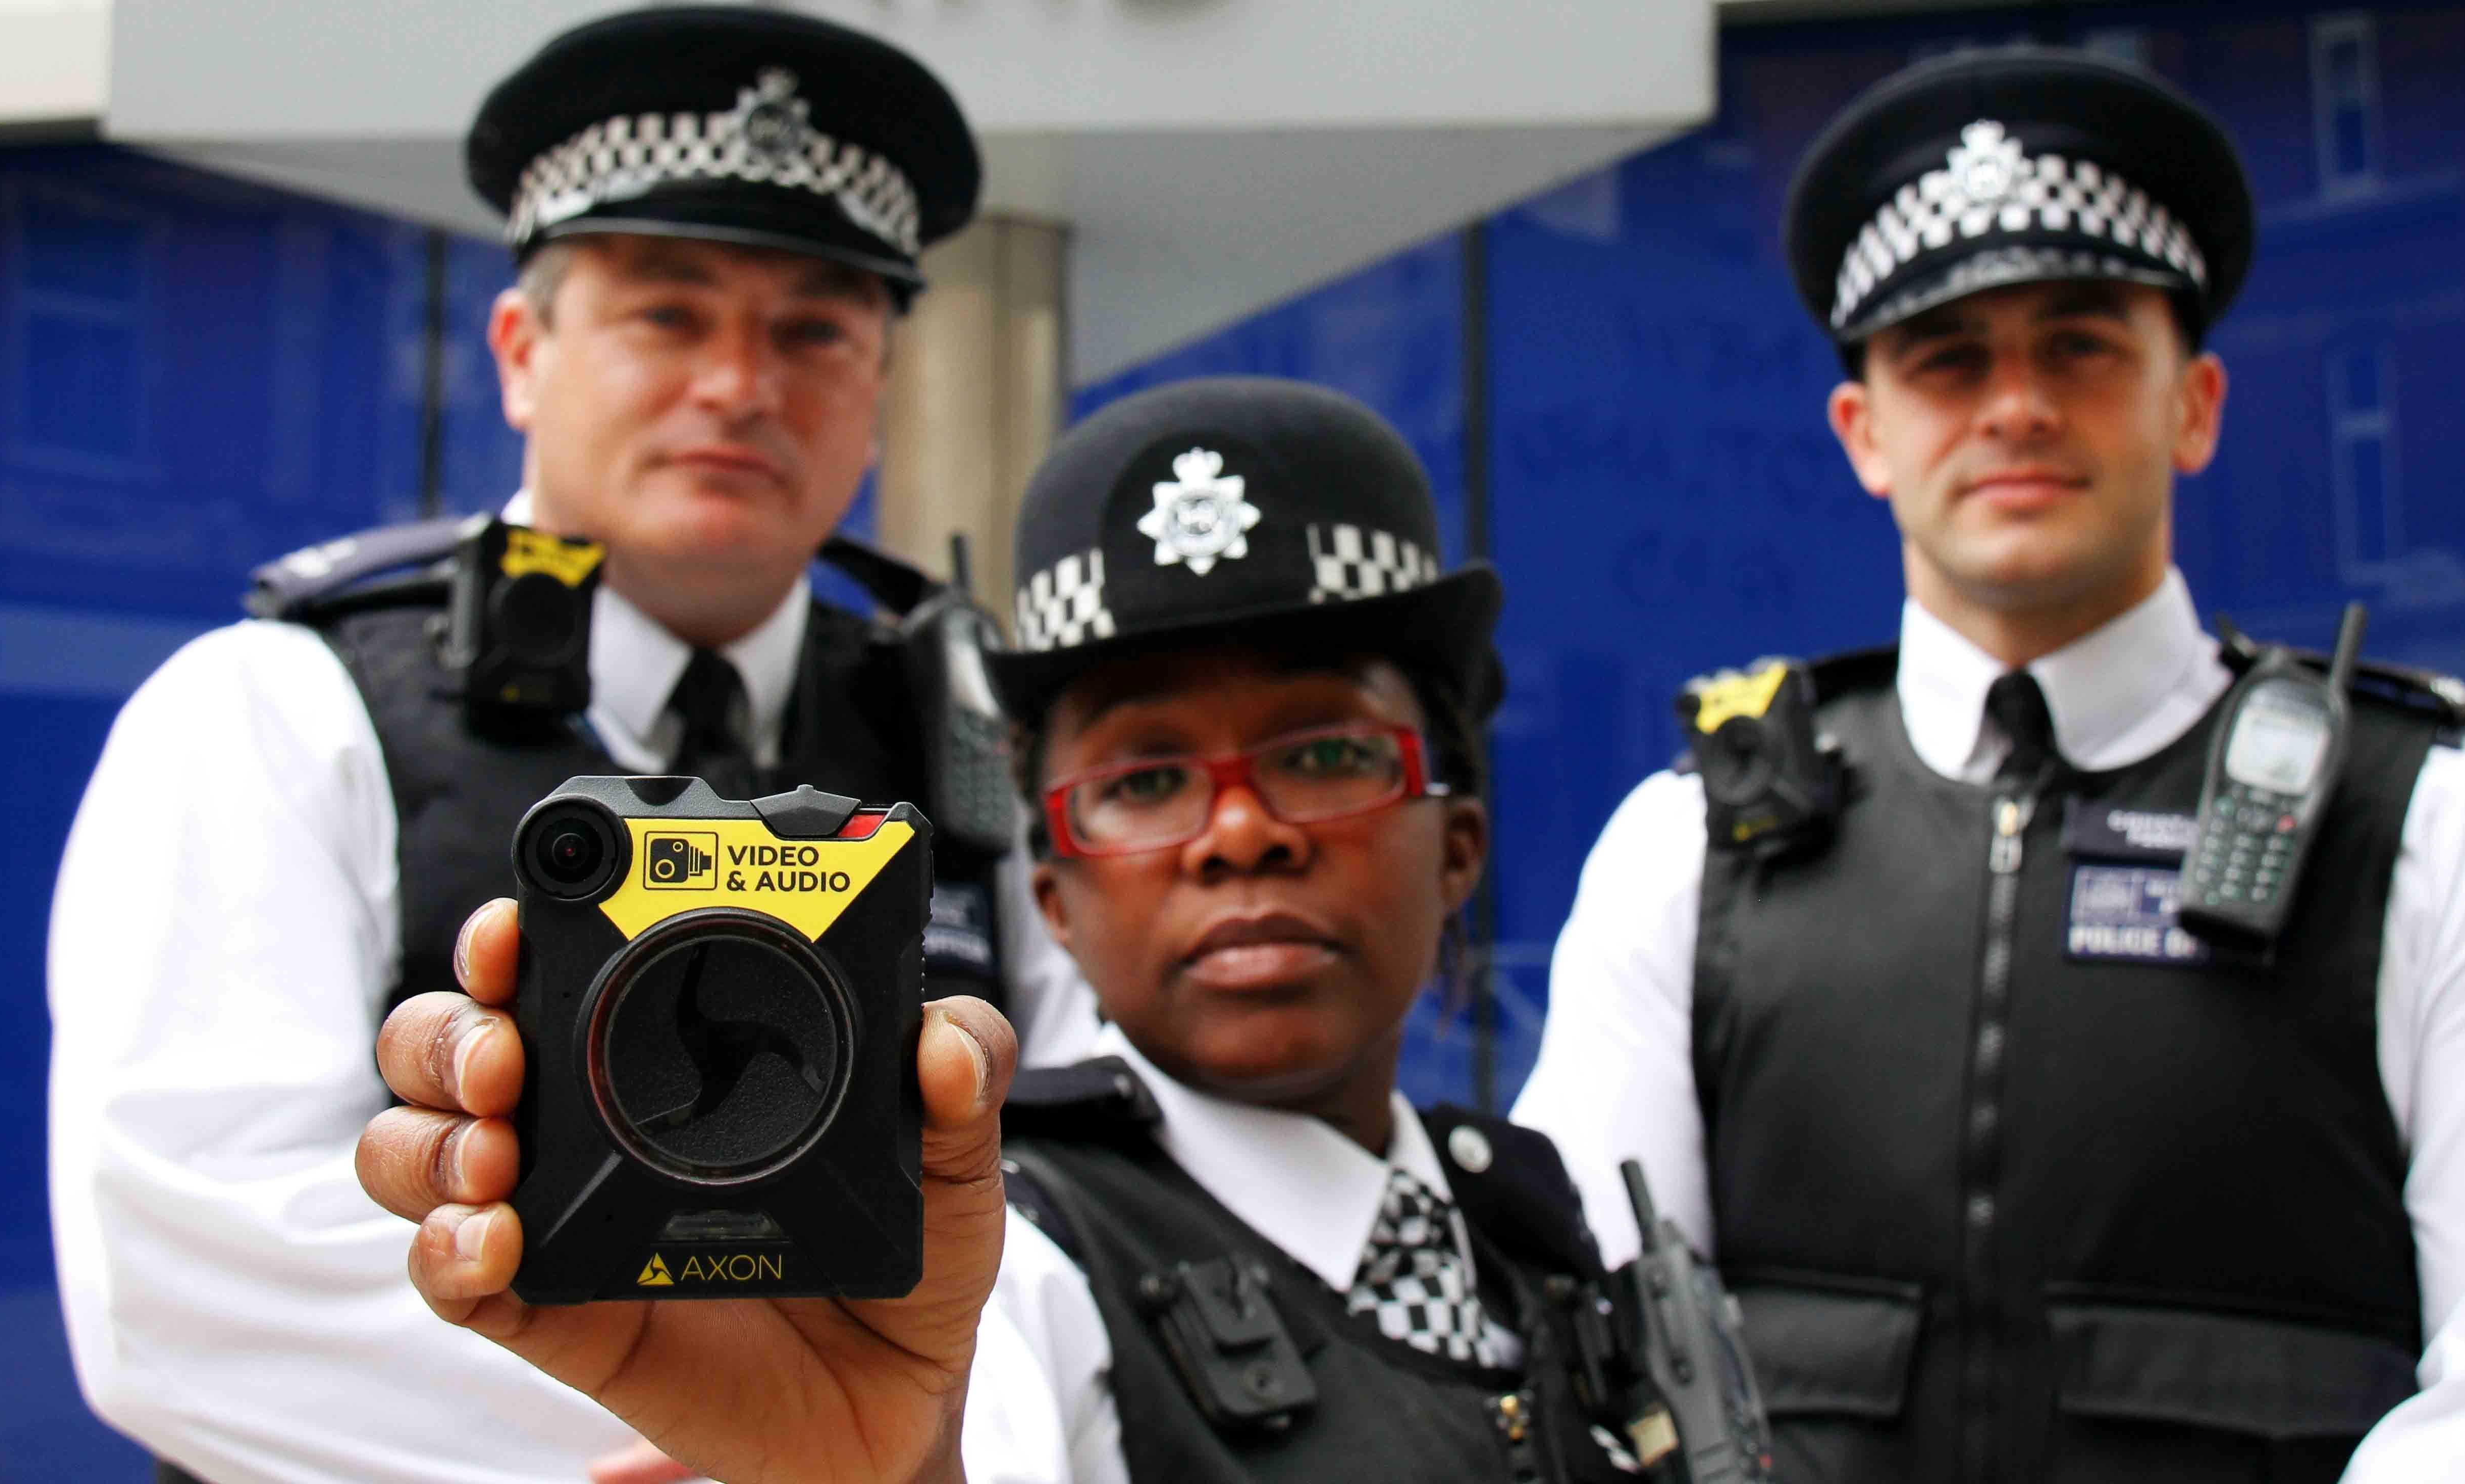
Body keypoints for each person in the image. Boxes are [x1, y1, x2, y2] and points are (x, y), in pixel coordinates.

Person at [47, 5, 1097, 1484]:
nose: (739, 383)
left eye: (813, 330)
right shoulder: (280, 713)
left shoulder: (971, 753)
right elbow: (189, 1262)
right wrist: (768, 1429)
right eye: (667, 314)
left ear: (877, 389)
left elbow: (1079, 1208)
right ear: (522, 351)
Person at [1511, 48, 2465, 1482]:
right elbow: (1599, 1352)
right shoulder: (1688, 852)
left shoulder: (2446, 828)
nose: (2015, 405)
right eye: (1949, 360)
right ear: (1864, 435)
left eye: (2079, 344)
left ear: (2193, 404)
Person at [365, 376, 1651, 1484]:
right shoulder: (985, 1273)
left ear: (1461, 847)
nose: (1240, 832)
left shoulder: (1548, 1229)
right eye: (1144, 781)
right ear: (1056, 905)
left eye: (1324, 753)